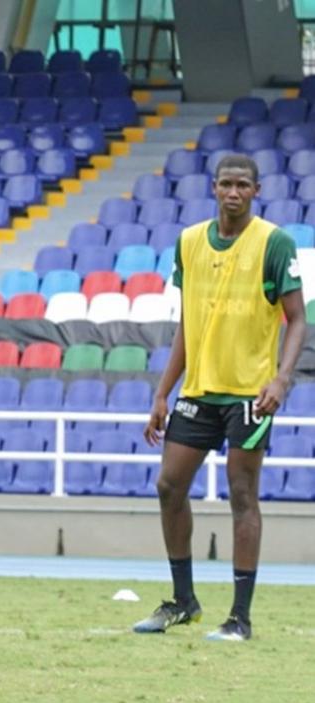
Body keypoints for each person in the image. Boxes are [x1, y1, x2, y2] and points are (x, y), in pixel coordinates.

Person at [136, 154, 306, 641]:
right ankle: (183, 601)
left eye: (242, 185)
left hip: (249, 394)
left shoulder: (274, 243)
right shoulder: (189, 242)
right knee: (169, 487)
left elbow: (298, 318)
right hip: (199, 390)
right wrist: (163, 392)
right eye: (226, 184)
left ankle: (240, 618)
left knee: (241, 494)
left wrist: (281, 378)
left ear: (256, 190)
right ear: (213, 188)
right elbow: (190, 323)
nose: (233, 192)